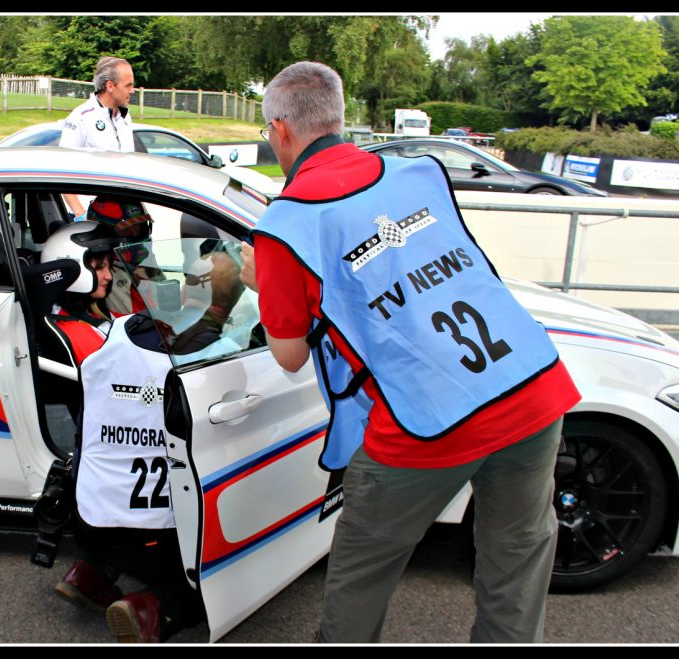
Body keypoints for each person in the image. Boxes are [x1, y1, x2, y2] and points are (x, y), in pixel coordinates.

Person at [240, 61, 582, 644]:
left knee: (360, 578)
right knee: (515, 567)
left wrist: (256, 284)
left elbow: (291, 355)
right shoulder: (416, 173)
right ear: (337, 117)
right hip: (530, 387)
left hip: (424, 424)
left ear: (280, 128)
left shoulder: (286, 225)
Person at [35, 211, 222, 644]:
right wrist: (215, 314)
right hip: (150, 523)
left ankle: (90, 574)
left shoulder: (78, 326)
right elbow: (160, 358)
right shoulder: (95, 339)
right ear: (72, 267)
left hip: (91, 511)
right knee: (204, 583)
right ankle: (152, 611)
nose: (107, 271)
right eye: (97, 264)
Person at [60, 57, 136, 221]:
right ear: (110, 86)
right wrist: (81, 214)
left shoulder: (125, 117)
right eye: (128, 85)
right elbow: (62, 170)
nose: (132, 90)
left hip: (120, 214)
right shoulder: (81, 117)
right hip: (91, 216)